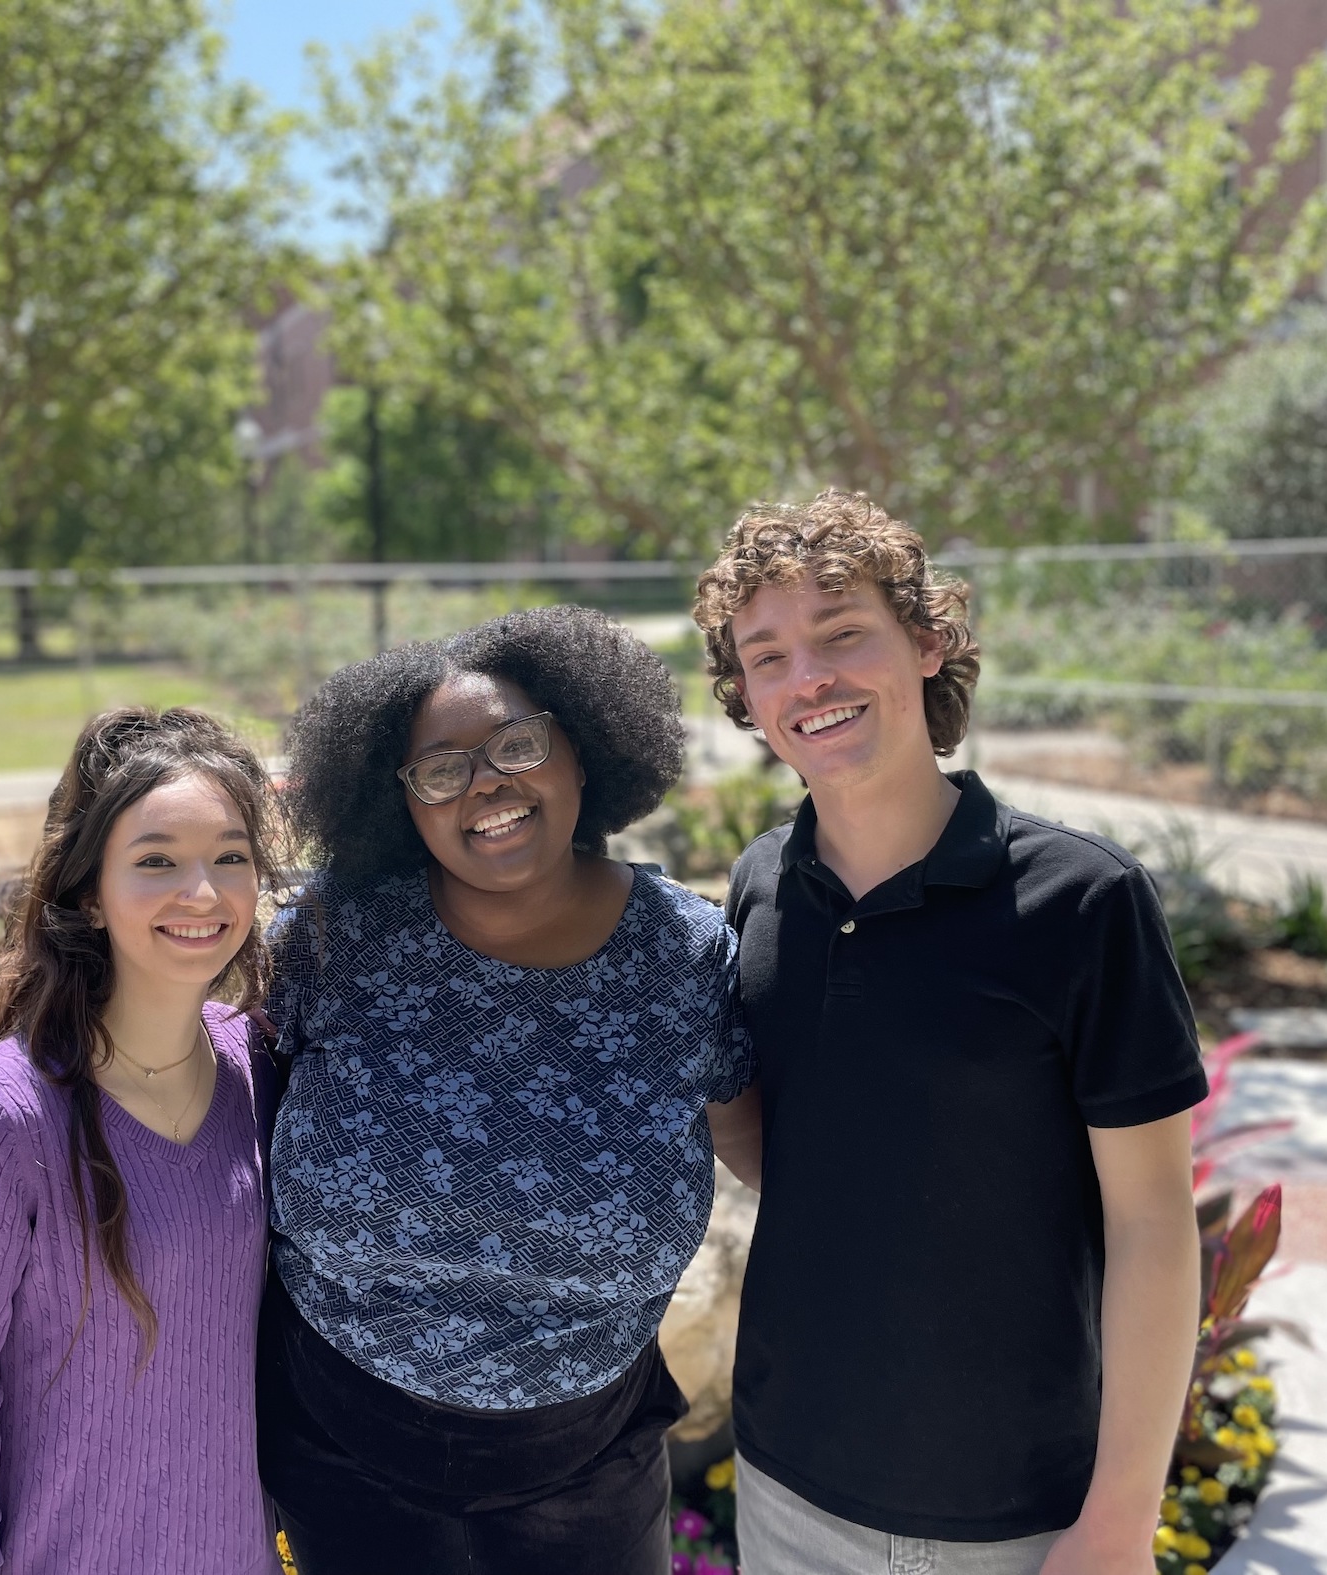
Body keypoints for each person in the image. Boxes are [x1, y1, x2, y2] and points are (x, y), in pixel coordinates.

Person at [694, 490, 1207, 1575]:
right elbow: (782, 1144)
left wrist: (1121, 1520)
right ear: (746, 697)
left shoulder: (1084, 901)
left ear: (927, 644)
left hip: (1019, 1514)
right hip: (787, 1483)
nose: (808, 678)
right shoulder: (760, 885)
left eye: (843, 633)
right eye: (767, 656)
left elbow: (1155, 1225)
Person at [258, 605, 759, 1575]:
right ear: (402, 804)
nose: (485, 783)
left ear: (583, 753)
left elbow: (768, 1151)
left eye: (517, 745)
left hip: (589, 1470)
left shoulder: (685, 956)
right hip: (341, 1453)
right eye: (441, 770)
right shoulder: (332, 937)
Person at [0, 707, 287, 1575]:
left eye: (231, 856)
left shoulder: (260, 1068)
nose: (202, 892)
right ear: (91, 892)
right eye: (157, 860)